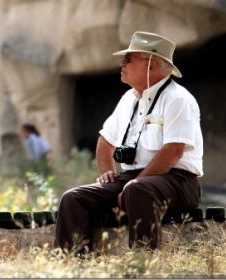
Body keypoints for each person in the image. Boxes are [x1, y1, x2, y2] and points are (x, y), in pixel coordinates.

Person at [54, 31, 202, 254]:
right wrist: (107, 173)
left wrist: (132, 186)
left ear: (151, 65)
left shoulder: (178, 99)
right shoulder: (129, 98)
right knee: (74, 198)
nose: (121, 63)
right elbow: (105, 141)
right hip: (133, 181)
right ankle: (70, 266)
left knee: (137, 190)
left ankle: (141, 265)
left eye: (129, 59)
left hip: (176, 181)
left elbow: (173, 152)